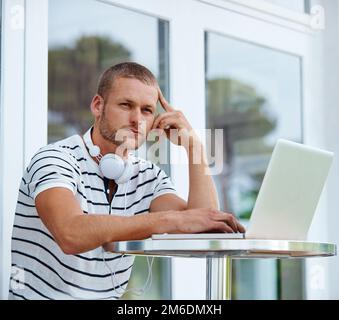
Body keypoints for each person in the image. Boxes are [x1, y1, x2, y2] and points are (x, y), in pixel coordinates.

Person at [9, 62, 245, 300]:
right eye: (126, 105)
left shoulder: (148, 176)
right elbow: (70, 234)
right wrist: (172, 219)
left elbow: (206, 227)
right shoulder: (56, 158)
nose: (137, 119)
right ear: (98, 105)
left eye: (147, 110)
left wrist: (195, 147)